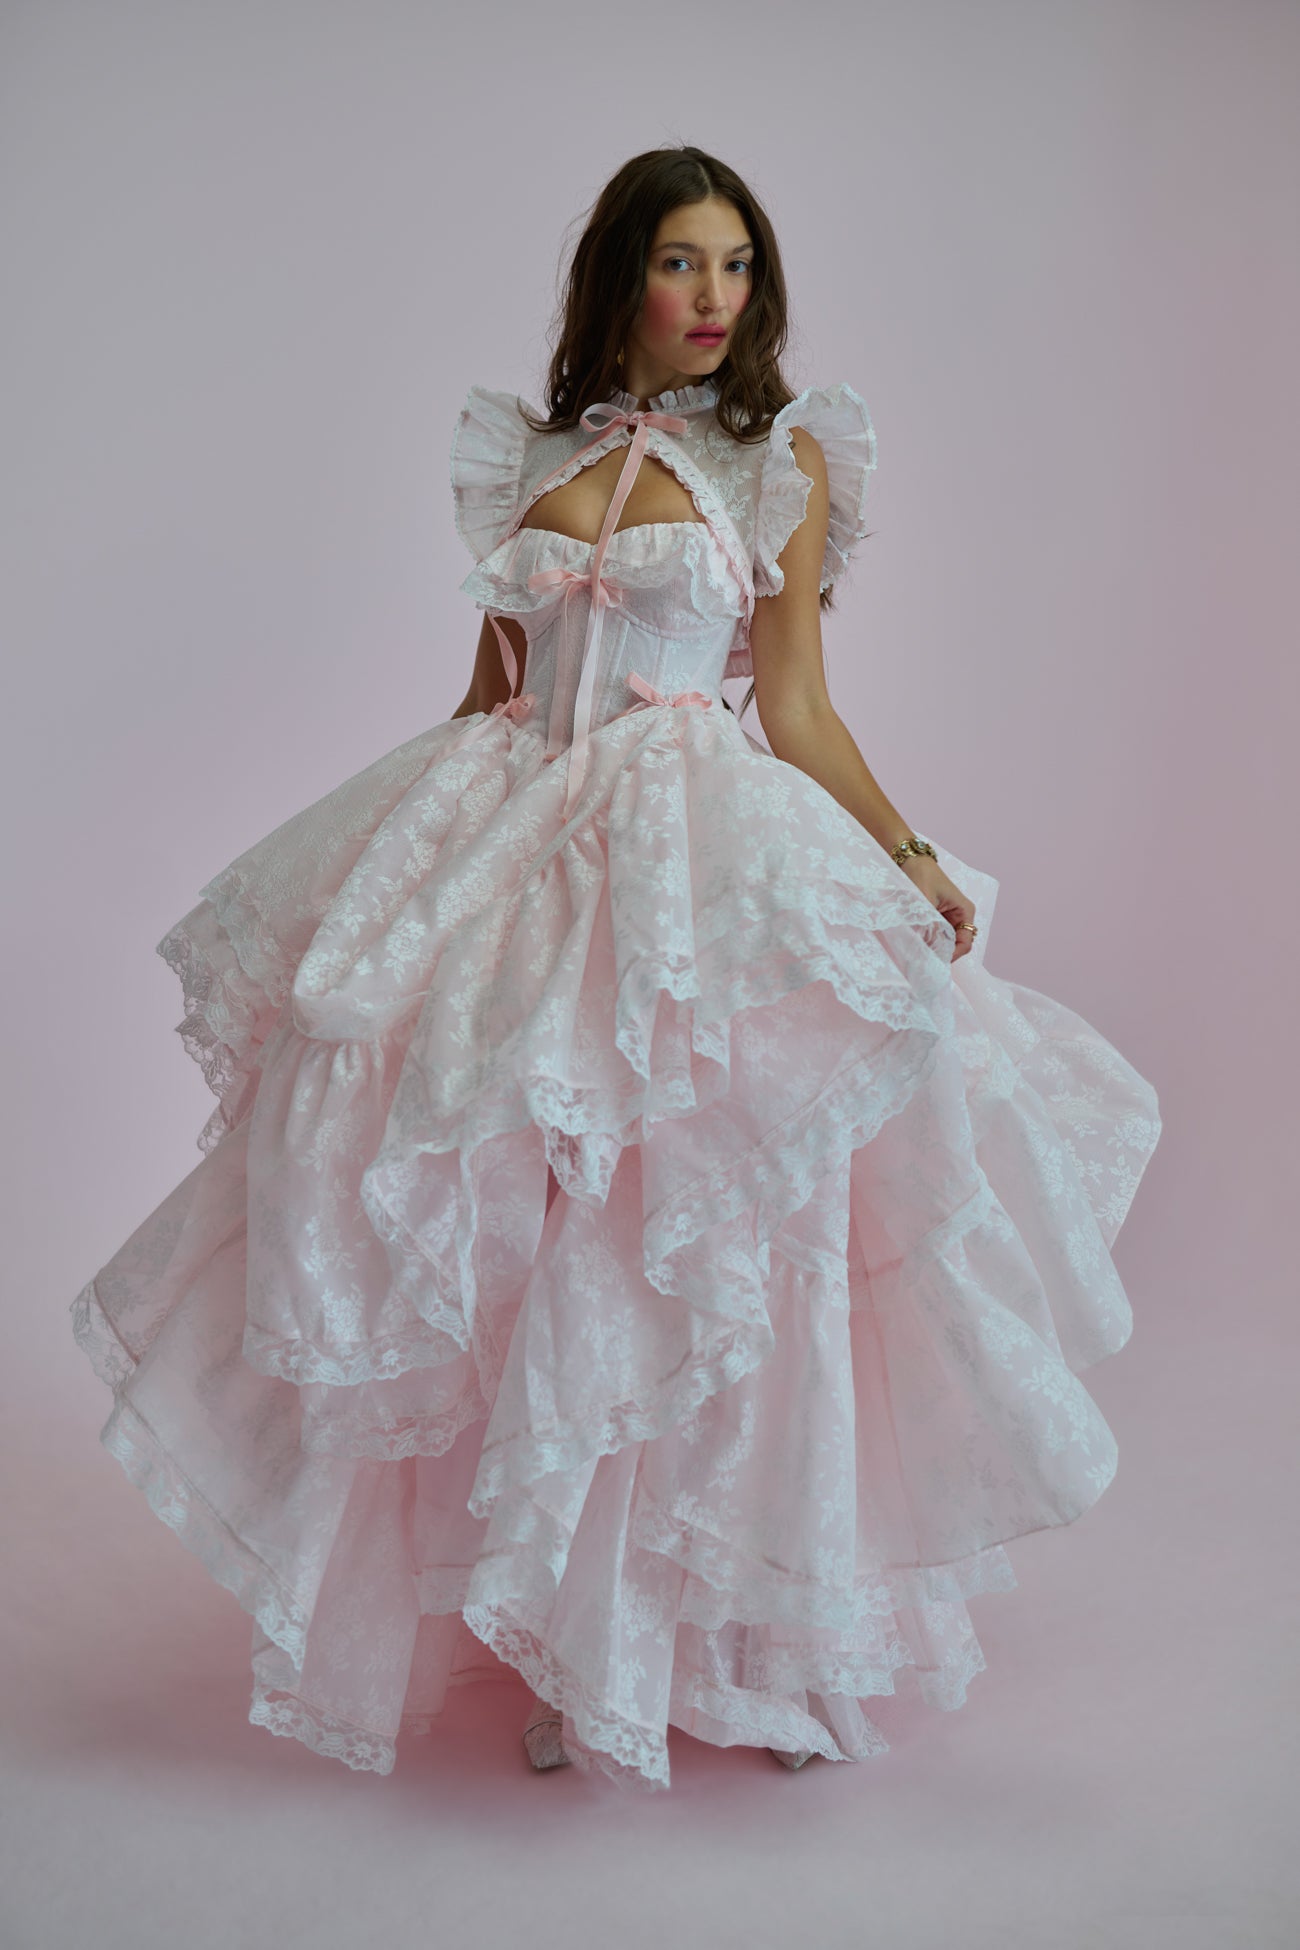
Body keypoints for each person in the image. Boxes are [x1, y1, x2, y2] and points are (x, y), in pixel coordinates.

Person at [69, 144, 1161, 1792]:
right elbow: (487, 689)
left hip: (679, 844)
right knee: (538, 1236)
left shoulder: (777, 459)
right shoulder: (529, 455)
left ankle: (773, 1647)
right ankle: (586, 1644)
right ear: (621, 277)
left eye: (738, 264)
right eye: (681, 262)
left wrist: (907, 851)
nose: (715, 296)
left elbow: (794, 705)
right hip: (515, 833)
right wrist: (397, 868)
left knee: (711, 1243)